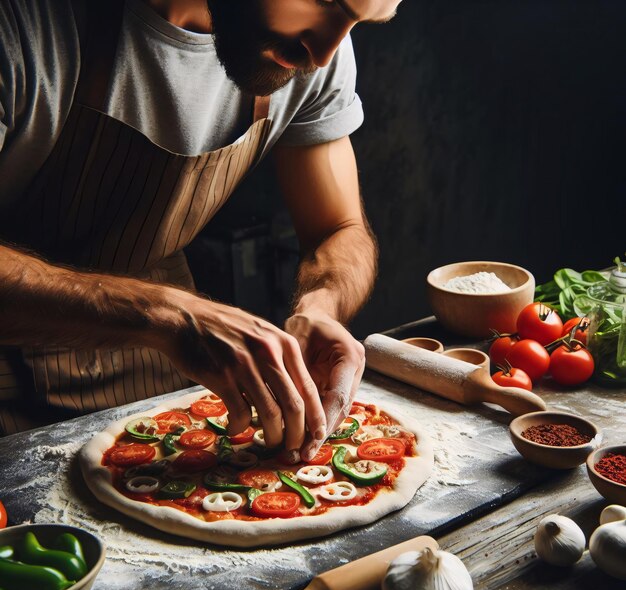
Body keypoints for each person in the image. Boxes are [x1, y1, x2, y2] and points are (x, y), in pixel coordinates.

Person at [0, 0, 401, 460]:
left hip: (160, 382)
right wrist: (166, 315)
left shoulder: (305, 52)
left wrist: (322, 308)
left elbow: (340, 228)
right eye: (328, 2)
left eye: (361, 21)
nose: (328, 50)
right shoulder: (22, 25)